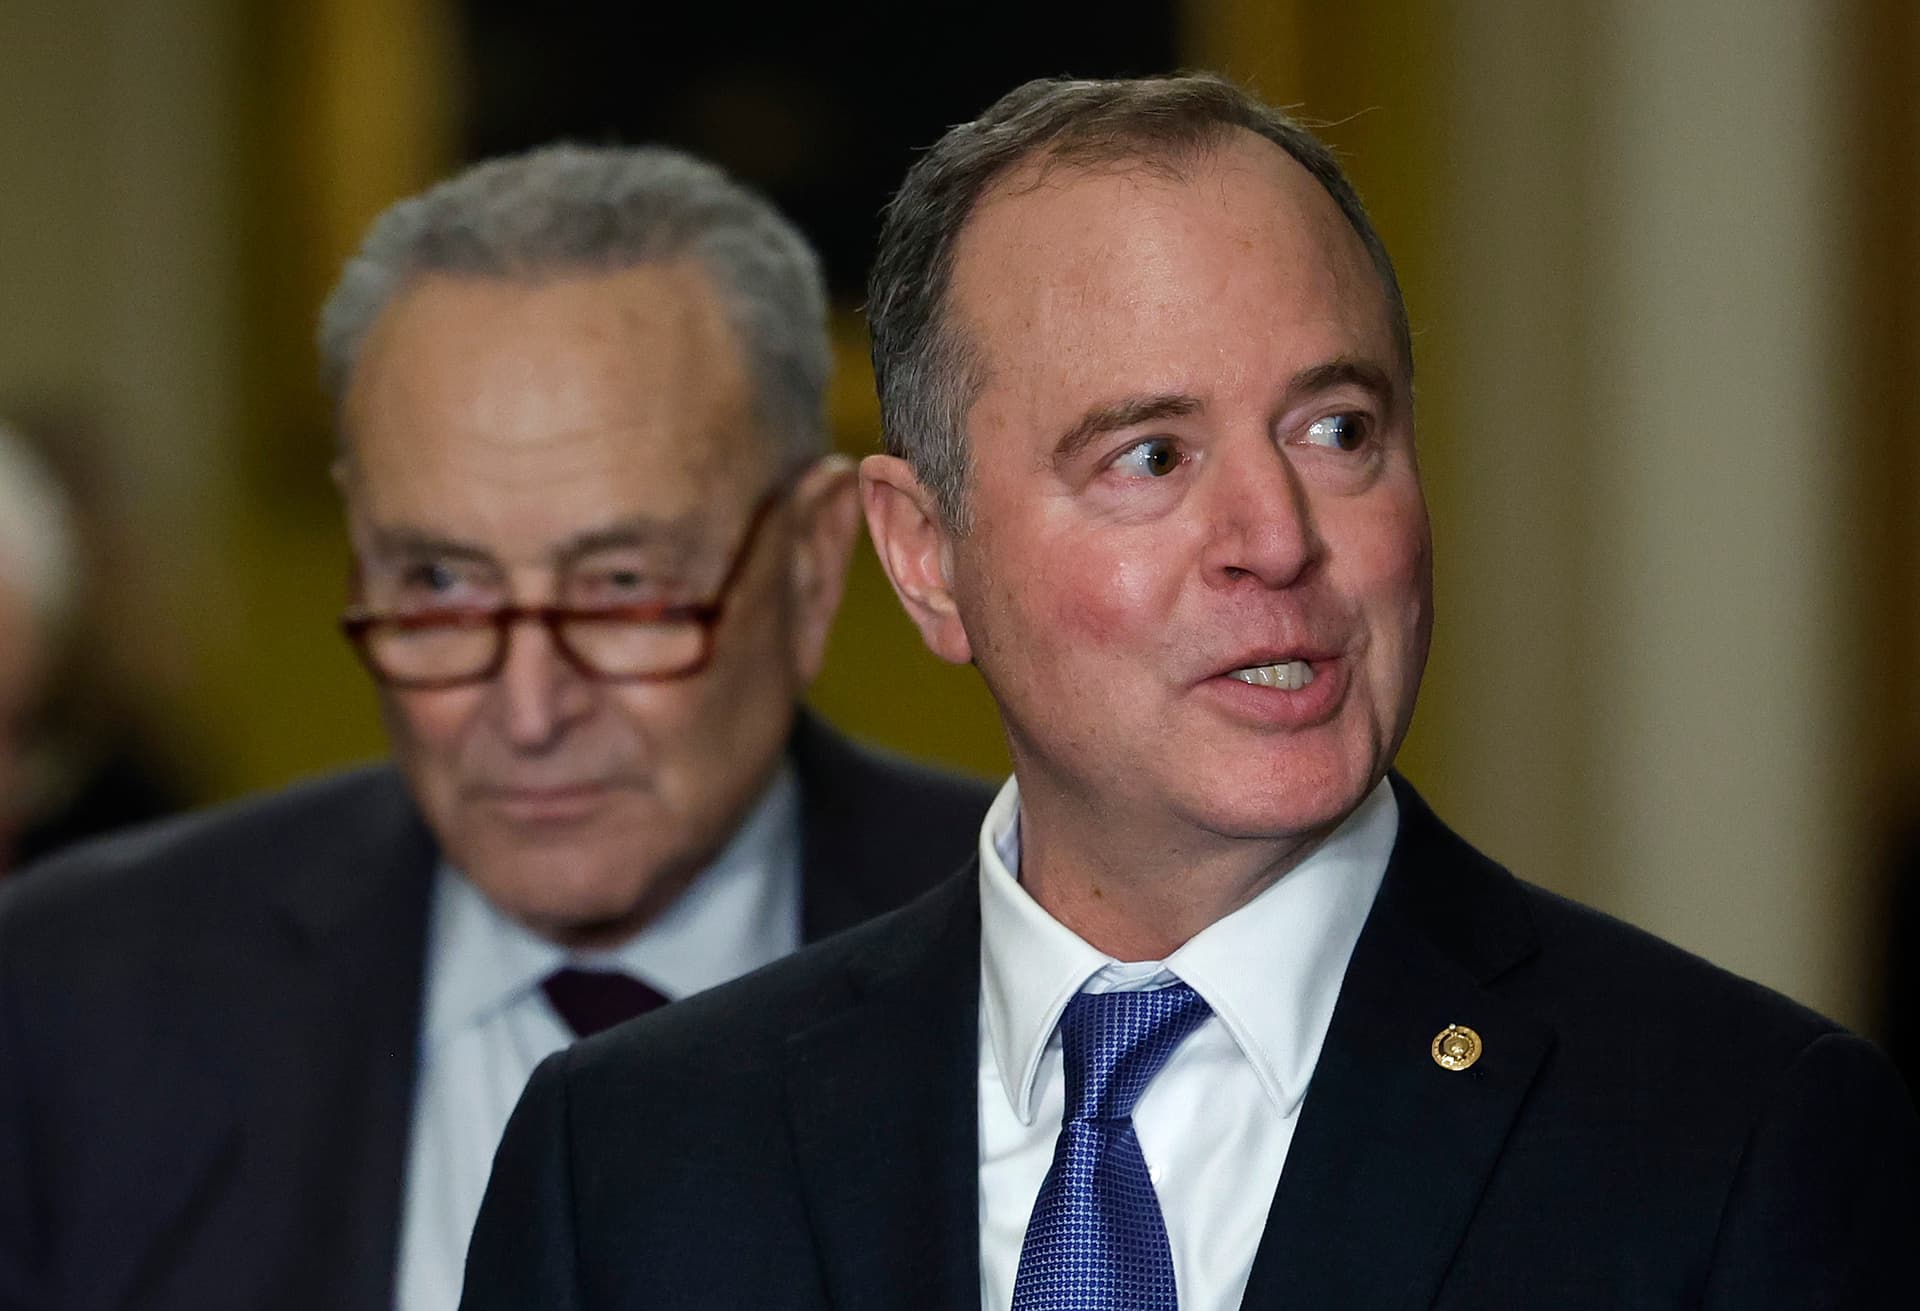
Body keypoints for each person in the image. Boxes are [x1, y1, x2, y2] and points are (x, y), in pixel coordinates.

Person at [459, 75, 1919, 1310]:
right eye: (1150, 456)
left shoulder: (1737, 1137)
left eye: (1337, 428)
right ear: (924, 557)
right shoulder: (632, 1162)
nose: (1277, 536)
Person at [0, 143, 992, 1311]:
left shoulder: (1057, 959)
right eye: (440, 585)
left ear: (816, 566)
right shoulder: (73, 997)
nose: (526, 712)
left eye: (623, 585)